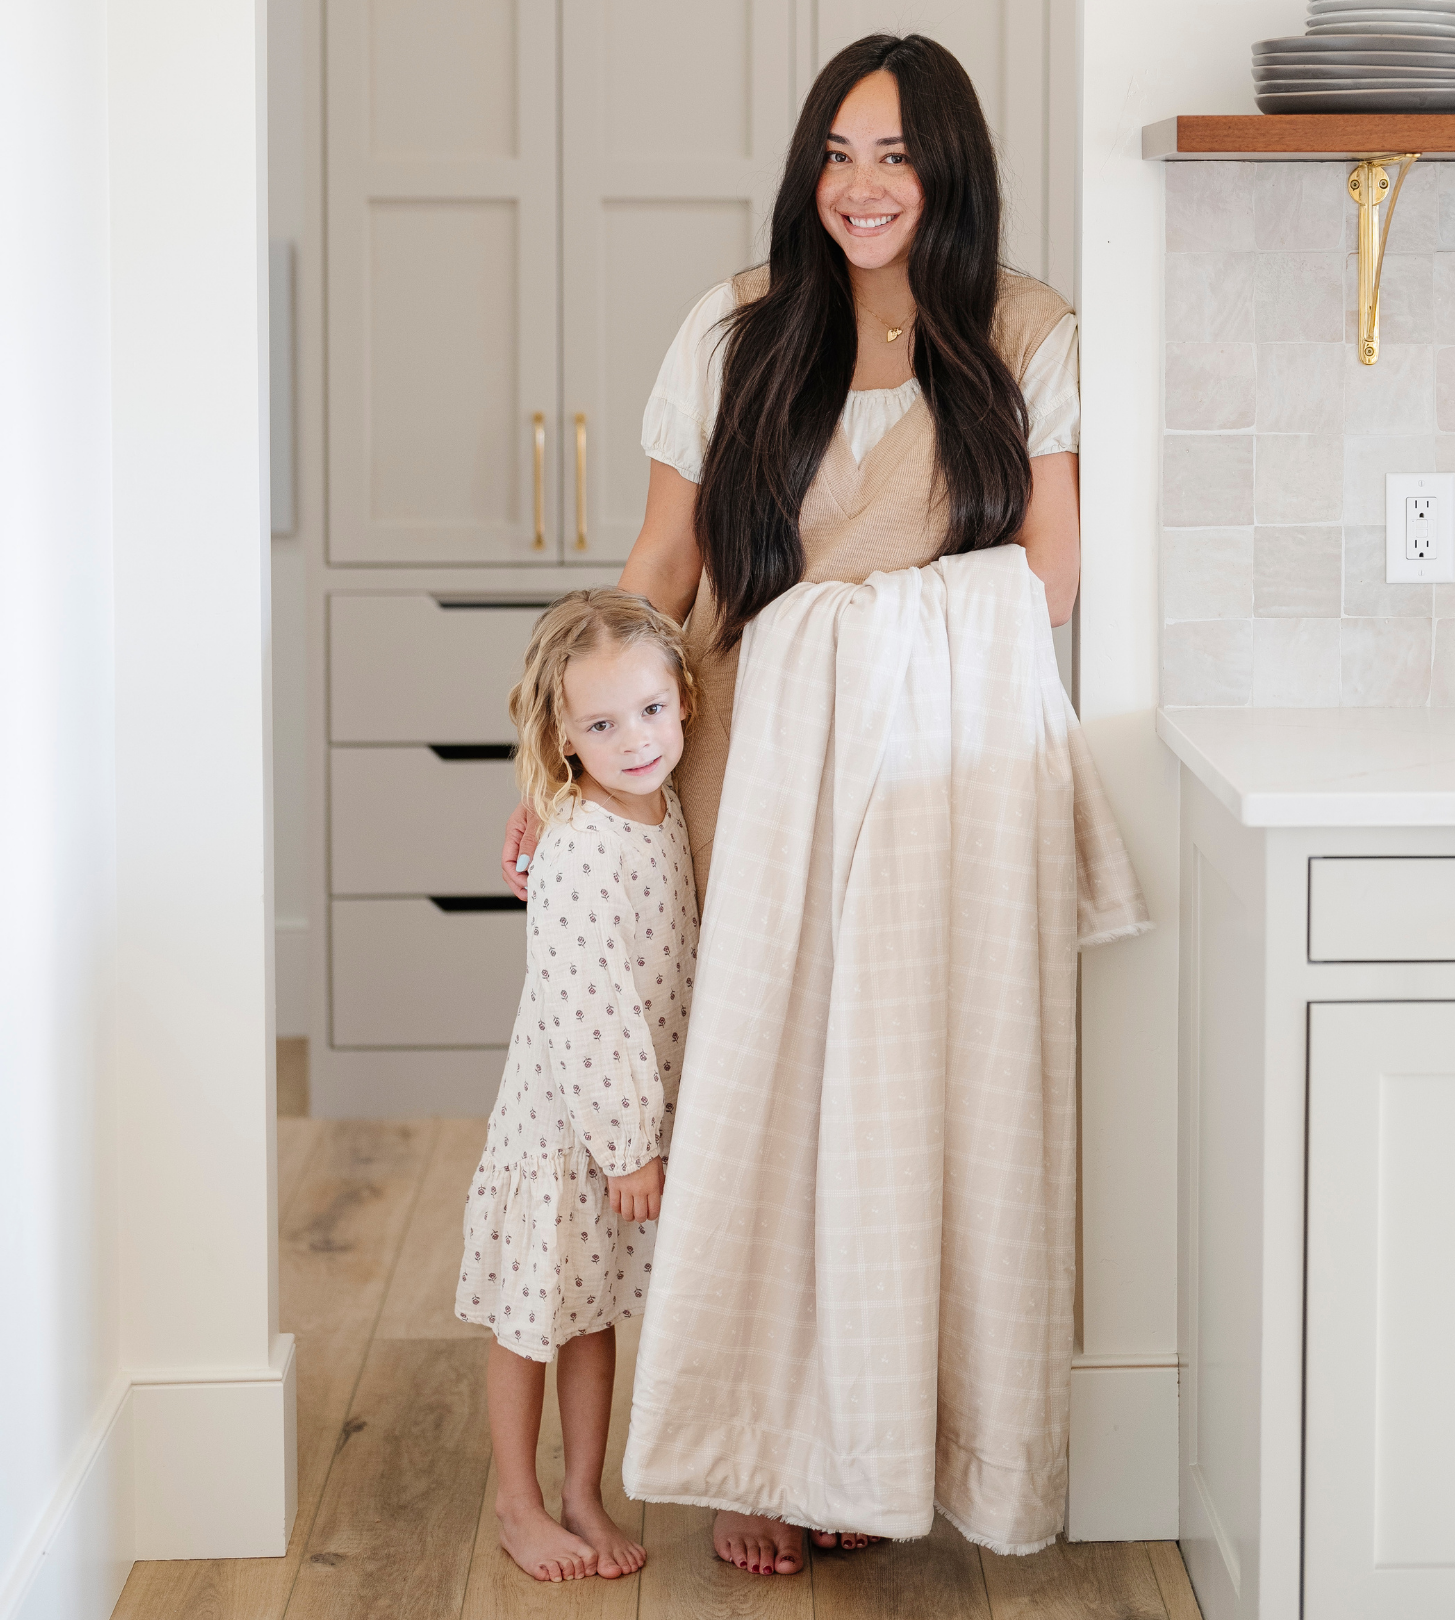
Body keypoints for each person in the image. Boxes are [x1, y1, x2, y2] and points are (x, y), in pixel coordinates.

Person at [503, 34, 1086, 1577]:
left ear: (948, 167)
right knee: (752, 1118)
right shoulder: (740, 328)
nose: (860, 186)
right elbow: (662, 569)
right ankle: (761, 1450)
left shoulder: (1023, 335)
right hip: (738, 771)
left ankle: (870, 1443)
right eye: (836, 152)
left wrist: (867, 638)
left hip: (926, 792)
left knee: (884, 1127)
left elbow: (1050, 578)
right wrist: (552, 756)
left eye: (894, 155)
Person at [460, 588, 699, 1582]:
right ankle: (519, 1504)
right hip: (568, 1135)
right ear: (564, 735)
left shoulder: (666, 803)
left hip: (613, 1132)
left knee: (591, 1315)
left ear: (683, 697)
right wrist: (631, 1144)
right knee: (532, 1320)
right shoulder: (578, 849)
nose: (634, 738)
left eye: (649, 710)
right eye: (602, 724)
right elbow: (591, 1011)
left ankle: (583, 1494)